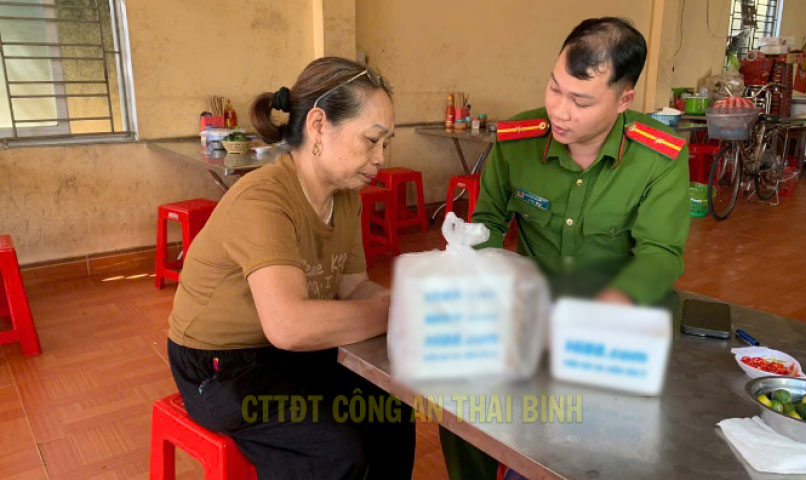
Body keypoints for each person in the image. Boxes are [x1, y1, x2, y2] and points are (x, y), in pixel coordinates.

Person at [440, 17, 690, 479]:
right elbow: (489, 222)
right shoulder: (517, 141)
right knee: (460, 395)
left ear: (624, 99)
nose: (560, 111)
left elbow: (660, 256)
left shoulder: (659, 157)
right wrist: (470, 267)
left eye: (581, 101)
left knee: (592, 436)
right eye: (554, 89)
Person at [167, 57, 415, 480]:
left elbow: (354, 287)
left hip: (281, 353)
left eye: (386, 144)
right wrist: (399, 314)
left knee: (392, 406)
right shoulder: (264, 199)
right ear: (318, 126)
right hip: (220, 367)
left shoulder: (345, 197)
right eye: (371, 140)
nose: (380, 157)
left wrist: (414, 305)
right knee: (335, 451)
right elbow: (289, 326)